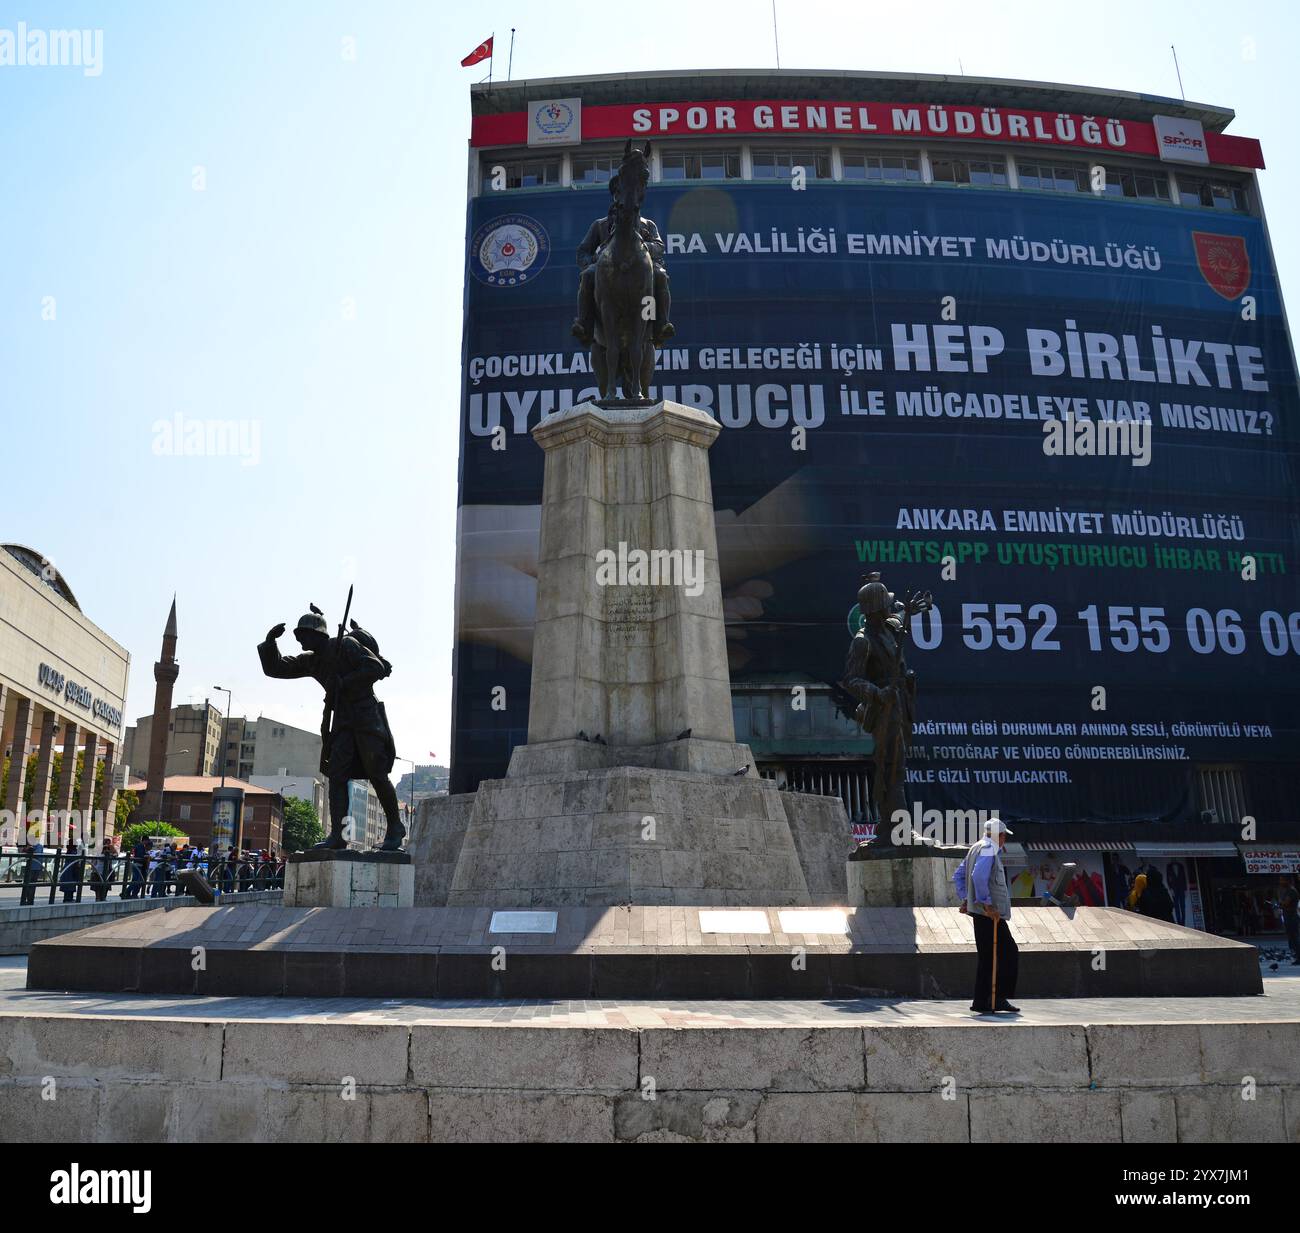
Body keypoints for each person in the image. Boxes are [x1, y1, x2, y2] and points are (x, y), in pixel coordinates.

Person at [954, 818, 1020, 1015]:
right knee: (1008, 953)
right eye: (1004, 836)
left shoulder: (975, 847)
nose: (1004, 841)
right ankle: (997, 997)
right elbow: (978, 876)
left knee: (988, 957)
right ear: (999, 836)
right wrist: (986, 904)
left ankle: (983, 1001)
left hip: (982, 912)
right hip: (990, 915)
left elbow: (959, 875)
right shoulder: (989, 848)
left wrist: (967, 898)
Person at [1276, 877, 1300, 965]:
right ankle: (1297, 957)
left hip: (1292, 917)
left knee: (1295, 938)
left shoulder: (1291, 891)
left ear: (1288, 881)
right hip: (1288, 917)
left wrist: (1280, 902)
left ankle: (1299, 957)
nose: (1280, 882)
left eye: (1282, 880)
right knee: (1292, 939)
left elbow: (1286, 903)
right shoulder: (1287, 891)